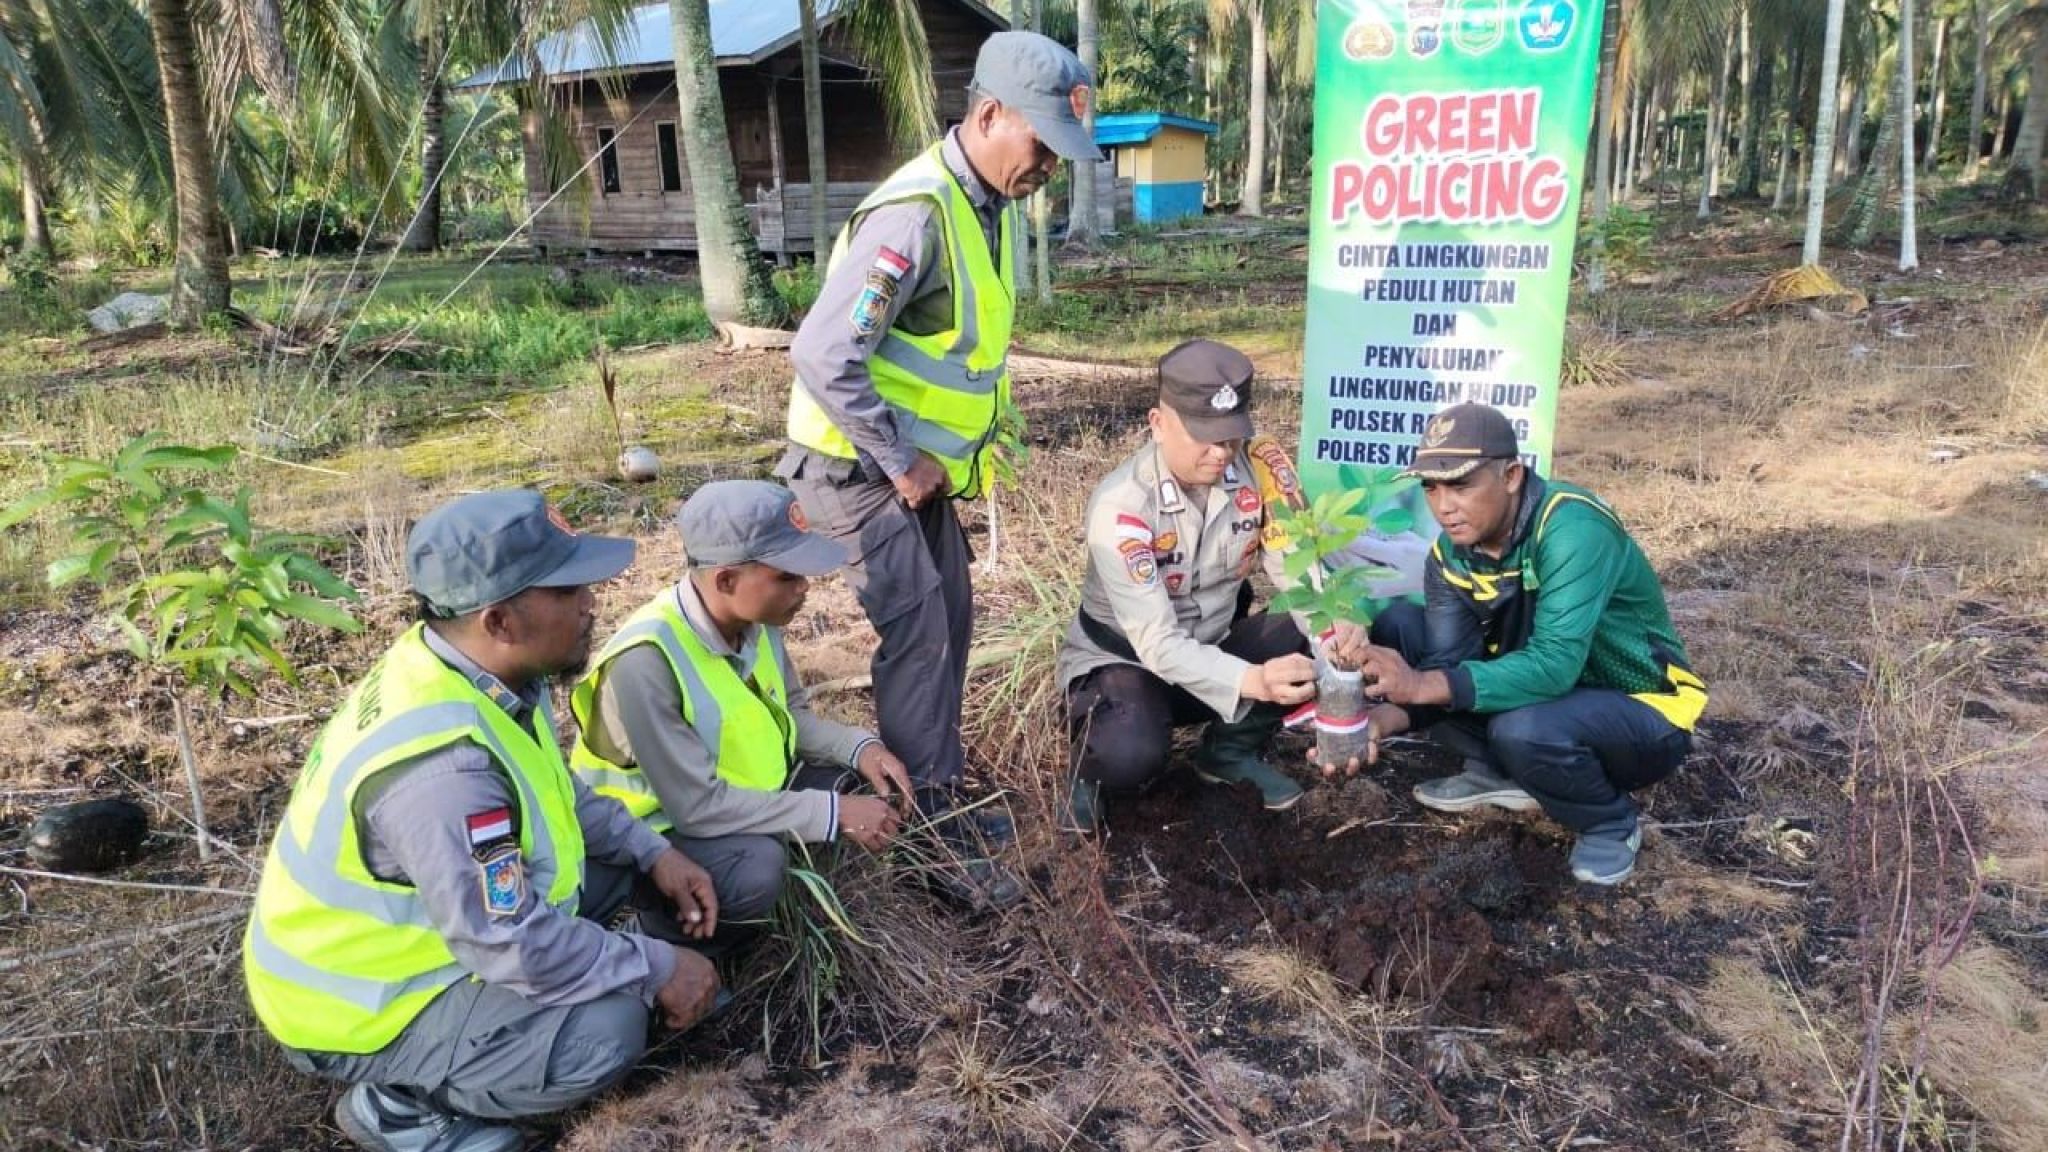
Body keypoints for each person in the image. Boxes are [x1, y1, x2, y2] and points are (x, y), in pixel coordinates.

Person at [243, 491, 725, 1152]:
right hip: (365, 1011)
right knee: (605, 1032)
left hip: (448, 932)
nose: (591, 604)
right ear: (499, 620)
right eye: (569, 591)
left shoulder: (474, 673)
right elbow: (510, 942)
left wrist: (652, 853)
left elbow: (555, 794)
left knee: (667, 877)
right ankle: (403, 1107)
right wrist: (653, 967)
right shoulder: (443, 774)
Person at [778, 30, 1102, 908]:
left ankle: (940, 793)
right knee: (919, 632)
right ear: (989, 114)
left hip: (908, 473)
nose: (1047, 171)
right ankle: (924, 841)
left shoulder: (983, 206)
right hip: (850, 466)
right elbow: (821, 354)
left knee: (953, 616)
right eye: (1040, 146)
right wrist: (900, 455)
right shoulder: (916, 215)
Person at [1328, 403, 1707, 885]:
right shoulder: (1449, 552)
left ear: (1510, 475)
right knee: (1402, 626)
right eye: (1431, 487)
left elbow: (1554, 666)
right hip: (1547, 695)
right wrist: (1381, 720)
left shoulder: (1571, 528)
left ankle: (1609, 822)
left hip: (1640, 709)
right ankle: (1497, 772)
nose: (1444, 505)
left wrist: (1418, 684)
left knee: (1521, 727)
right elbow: (1448, 664)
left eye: (1461, 484)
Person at [569, 480, 916, 944]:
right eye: (787, 576)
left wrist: (860, 747)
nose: (805, 588)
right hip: (652, 834)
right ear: (726, 580)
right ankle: (653, 939)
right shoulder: (645, 660)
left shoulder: (756, 619)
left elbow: (790, 715)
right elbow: (695, 808)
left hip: (730, 800)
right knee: (756, 870)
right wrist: (831, 814)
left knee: (855, 783)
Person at [1056, 339, 1319, 832]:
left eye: (1231, 435)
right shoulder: (1123, 504)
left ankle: (1227, 752)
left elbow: (1301, 573)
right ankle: (1088, 769)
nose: (1222, 452)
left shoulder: (1260, 470)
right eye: (1205, 436)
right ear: (1158, 423)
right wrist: (1256, 682)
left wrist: (1338, 633)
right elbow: (1156, 643)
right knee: (1131, 752)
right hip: (1125, 664)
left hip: (1209, 650)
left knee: (1311, 633)